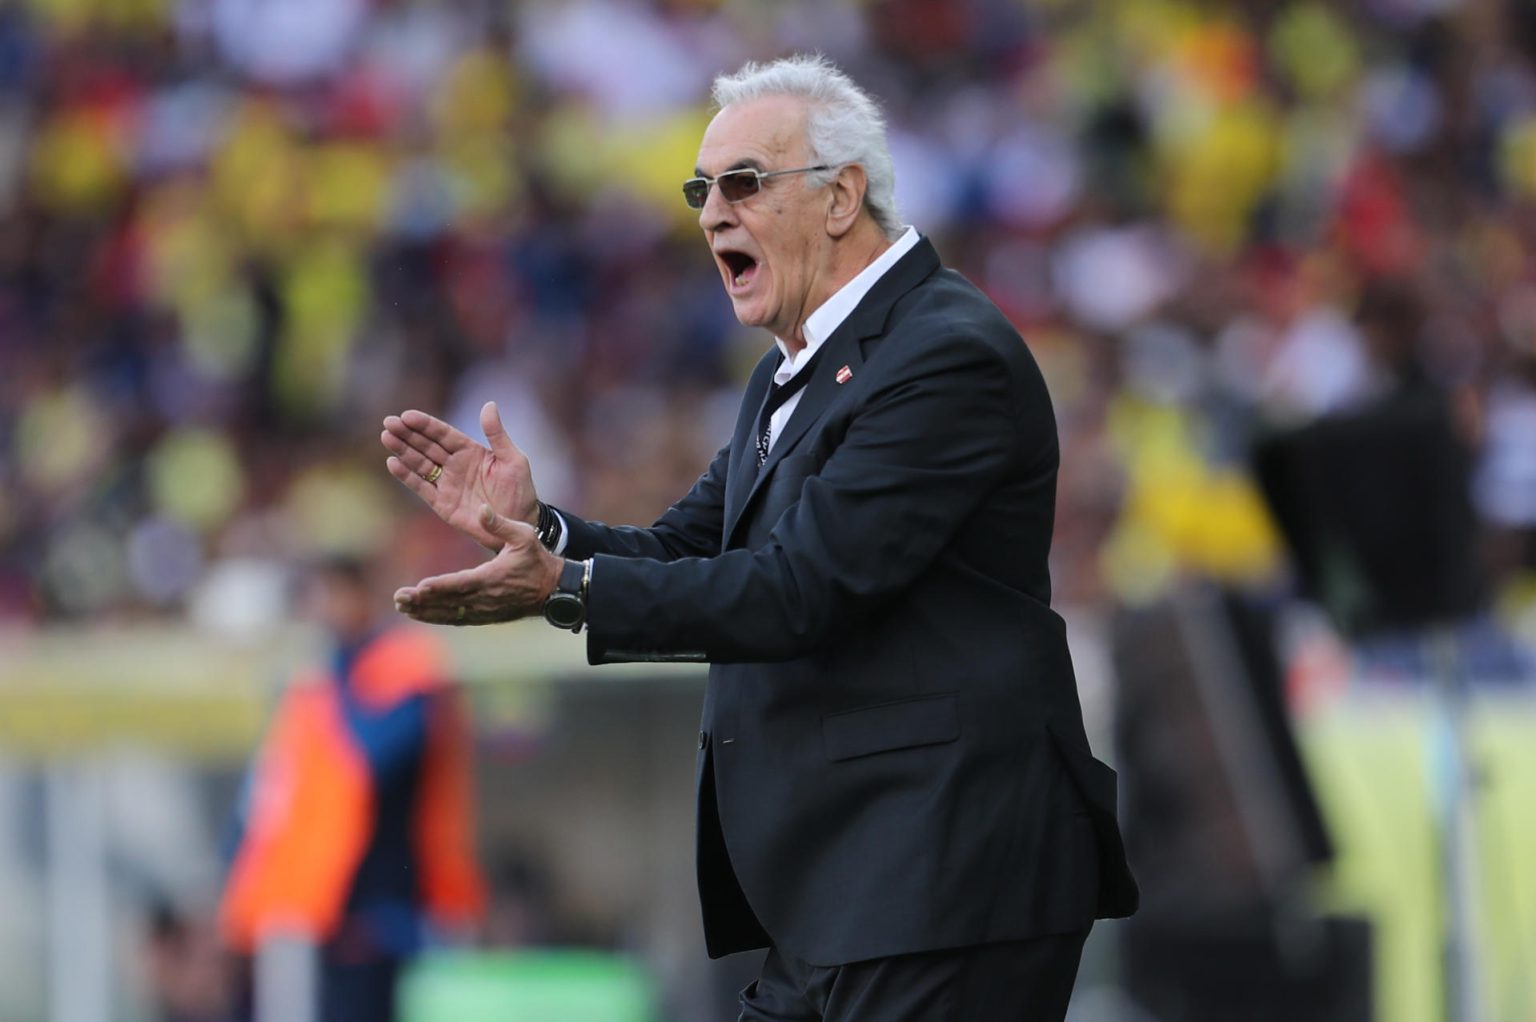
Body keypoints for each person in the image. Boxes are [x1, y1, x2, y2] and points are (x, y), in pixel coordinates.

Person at [381, 54, 1137, 1022]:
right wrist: (540, 529)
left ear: (840, 196)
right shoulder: (794, 371)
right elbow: (696, 551)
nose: (710, 213)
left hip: (945, 877)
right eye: (703, 189)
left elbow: (796, 588)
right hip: (851, 888)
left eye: (743, 183)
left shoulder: (947, 353)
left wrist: (563, 586)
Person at [220, 556, 485, 1022]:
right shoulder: (320, 684)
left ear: (363, 596)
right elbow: (273, 790)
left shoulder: (404, 670)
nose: (325, 611)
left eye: (334, 595)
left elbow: (369, 760)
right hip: (324, 910)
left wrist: (334, 681)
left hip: (401, 911)